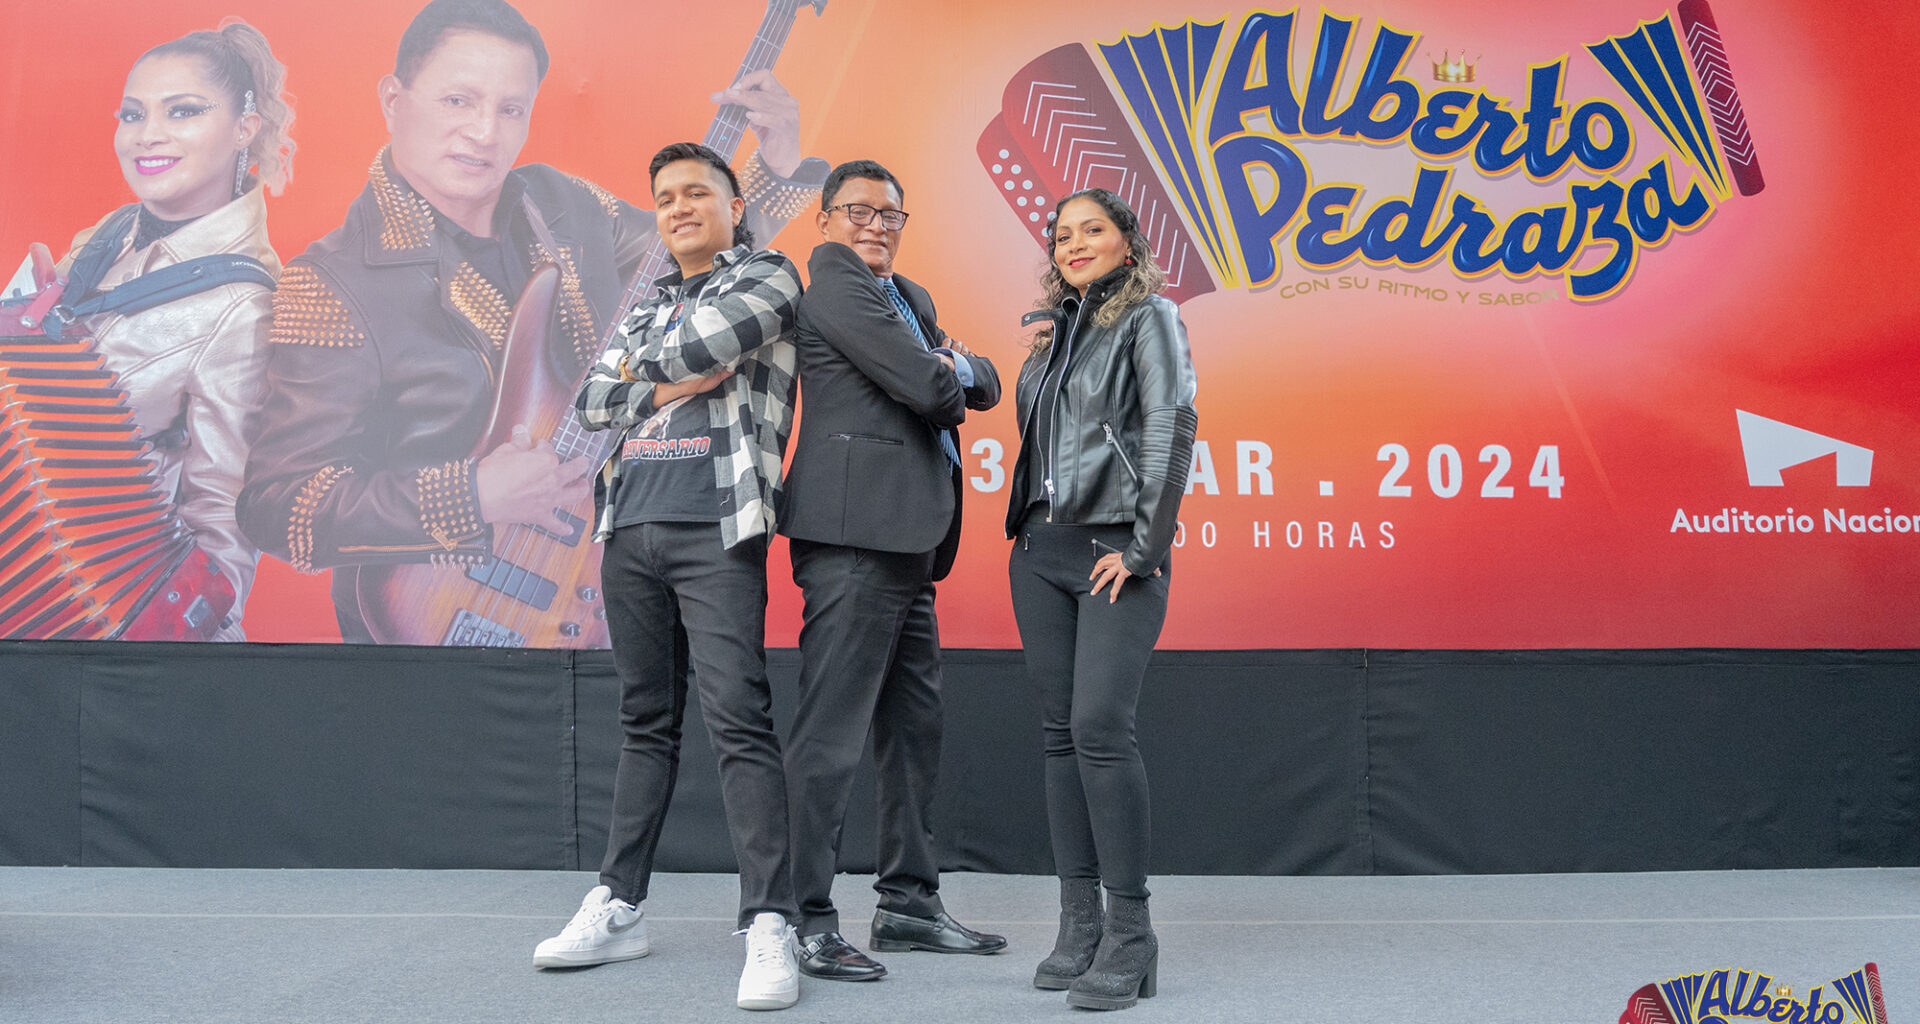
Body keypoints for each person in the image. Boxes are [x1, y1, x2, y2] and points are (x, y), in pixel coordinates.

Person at [234, 0, 824, 644]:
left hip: (588, 593)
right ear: (394, 99)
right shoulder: (332, 281)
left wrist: (779, 166)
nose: (484, 131)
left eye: (509, 109)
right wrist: (471, 495)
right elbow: (279, 506)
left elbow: (695, 270)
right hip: (433, 622)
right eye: (459, 100)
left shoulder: (562, 205)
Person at [537, 142, 803, 1011]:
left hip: (716, 525)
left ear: (735, 203)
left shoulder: (768, 275)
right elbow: (587, 402)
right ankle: (619, 906)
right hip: (631, 526)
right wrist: (656, 386)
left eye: (697, 192)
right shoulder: (648, 301)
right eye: (664, 198)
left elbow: (713, 343)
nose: (679, 207)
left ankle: (769, 922)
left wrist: (637, 375)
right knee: (645, 722)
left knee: (737, 718)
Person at [778, 160, 1005, 981]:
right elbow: (934, 388)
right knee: (831, 736)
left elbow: (982, 381)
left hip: (909, 544)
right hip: (853, 538)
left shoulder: (907, 296)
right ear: (826, 220)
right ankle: (802, 917)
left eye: (890, 213)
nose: (876, 224)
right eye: (859, 210)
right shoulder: (834, 285)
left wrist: (962, 370)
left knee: (914, 730)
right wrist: (954, 371)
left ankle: (908, 904)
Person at [1004, 187, 1197, 1011]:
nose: (1074, 243)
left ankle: (1130, 931)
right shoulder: (1052, 336)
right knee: (1058, 737)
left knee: (1097, 729)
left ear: (1127, 242)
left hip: (1113, 549)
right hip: (1039, 550)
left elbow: (1171, 422)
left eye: (1093, 230)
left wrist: (1145, 546)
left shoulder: (1150, 318)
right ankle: (1077, 922)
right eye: (1063, 234)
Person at [54, 19, 295, 640]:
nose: (146, 136)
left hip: (111, 622)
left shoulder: (248, 306)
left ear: (246, 128)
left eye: (182, 111)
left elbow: (224, 524)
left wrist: (168, 672)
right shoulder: (105, 236)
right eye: (131, 115)